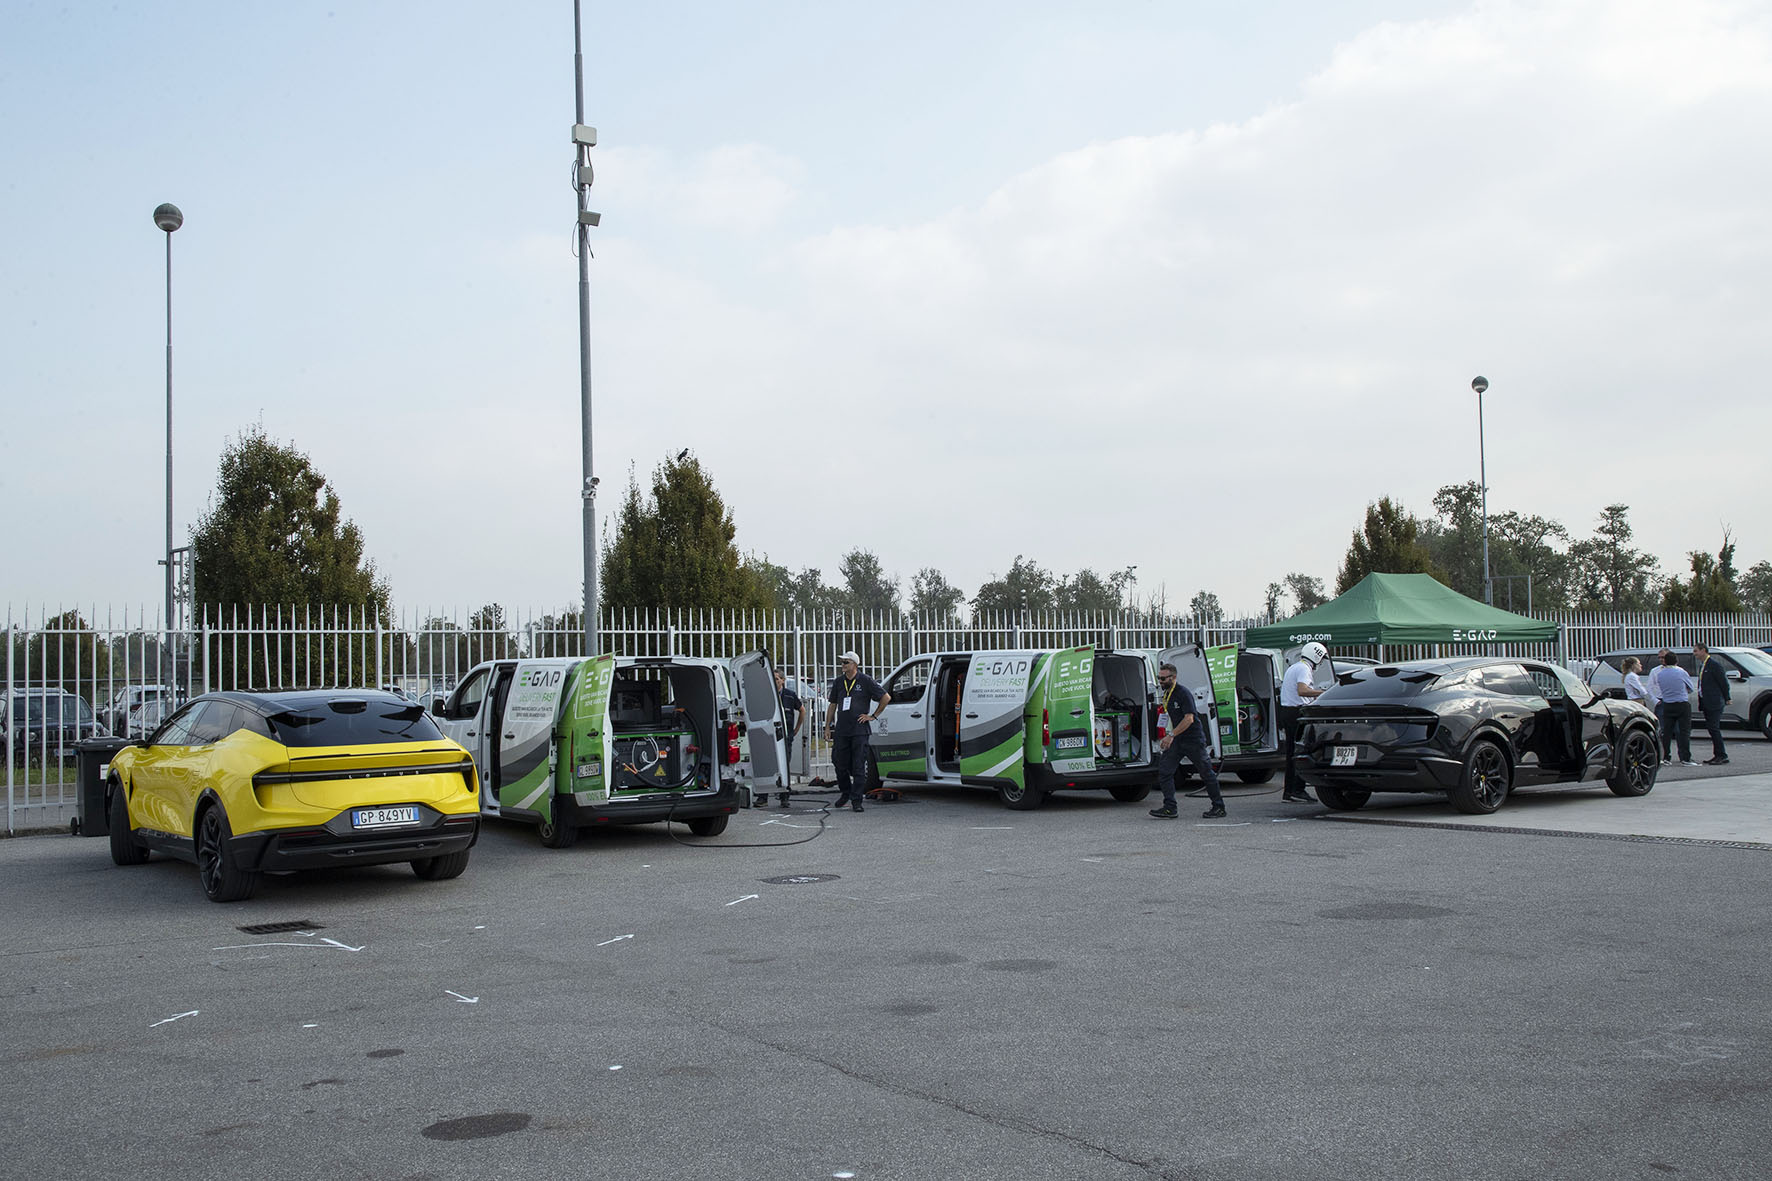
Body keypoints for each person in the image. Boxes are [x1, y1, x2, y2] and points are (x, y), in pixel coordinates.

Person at [1148, 662, 1227, 820]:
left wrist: (1171, 735)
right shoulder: (1167, 694)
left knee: (1206, 772)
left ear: (1173, 677)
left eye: (1163, 678)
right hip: (1178, 740)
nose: (1160, 681)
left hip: (1193, 739)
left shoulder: (1183, 693)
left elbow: (1189, 718)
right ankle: (1170, 807)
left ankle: (1218, 807)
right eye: (1159, 678)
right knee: (1165, 771)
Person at [825, 650, 890, 812]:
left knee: (859, 765)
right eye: (842, 662)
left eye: (846, 662)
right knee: (839, 763)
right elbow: (833, 704)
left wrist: (873, 716)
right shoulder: (839, 682)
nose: (842, 665)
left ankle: (857, 800)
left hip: (859, 730)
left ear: (854, 664)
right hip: (842, 730)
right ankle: (845, 792)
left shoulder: (865, 680)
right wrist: (827, 726)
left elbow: (886, 697)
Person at [1279, 641, 1330, 802]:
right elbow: (1302, 690)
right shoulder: (1304, 669)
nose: (1320, 663)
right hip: (1296, 713)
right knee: (1300, 752)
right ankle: (1297, 790)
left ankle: (1289, 791)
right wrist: (1323, 692)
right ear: (1316, 656)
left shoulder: (1295, 667)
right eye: (1321, 659)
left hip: (1288, 712)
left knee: (1292, 753)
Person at [764, 668, 807, 808]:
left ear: (783, 680)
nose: (775, 681)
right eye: (773, 679)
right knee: (767, 766)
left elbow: (802, 710)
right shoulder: (766, 694)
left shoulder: (790, 695)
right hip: (769, 736)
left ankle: (784, 797)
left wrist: (796, 729)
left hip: (785, 737)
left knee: (784, 767)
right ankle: (762, 797)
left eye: (777, 679)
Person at [1650, 650, 1698, 767]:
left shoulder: (1660, 674)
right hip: (1681, 703)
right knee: (1684, 732)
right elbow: (1691, 688)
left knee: (1666, 732)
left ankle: (1666, 756)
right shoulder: (1681, 672)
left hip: (1667, 703)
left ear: (1665, 662)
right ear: (1676, 661)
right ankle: (1685, 758)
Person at [1695, 644, 1732, 765]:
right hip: (1706, 701)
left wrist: (1727, 697)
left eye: (1696, 651)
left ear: (1703, 650)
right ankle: (1717, 754)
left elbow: (1723, 682)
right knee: (1711, 729)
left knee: (1714, 728)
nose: (1694, 654)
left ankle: (1722, 755)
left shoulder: (1714, 665)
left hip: (1714, 702)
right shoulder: (1703, 665)